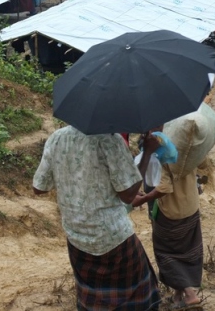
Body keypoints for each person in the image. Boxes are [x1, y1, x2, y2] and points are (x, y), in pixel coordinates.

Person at [33, 126, 159, 310]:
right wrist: (147, 152)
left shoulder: (57, 138)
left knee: (93, 300)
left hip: (77, 237)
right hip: (113, 238)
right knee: (137, 297)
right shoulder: (110, 140)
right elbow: (129, 194)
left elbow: (39, 188)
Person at [132, 133, 203, 309]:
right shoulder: (184, 148)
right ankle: (178, 296)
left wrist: (142, 199)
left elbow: (164, 187)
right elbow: (200, 167)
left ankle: (190, 294)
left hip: (171, 213)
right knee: (188, 250)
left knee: (166, 253)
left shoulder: (161, 154)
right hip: (191, 208)